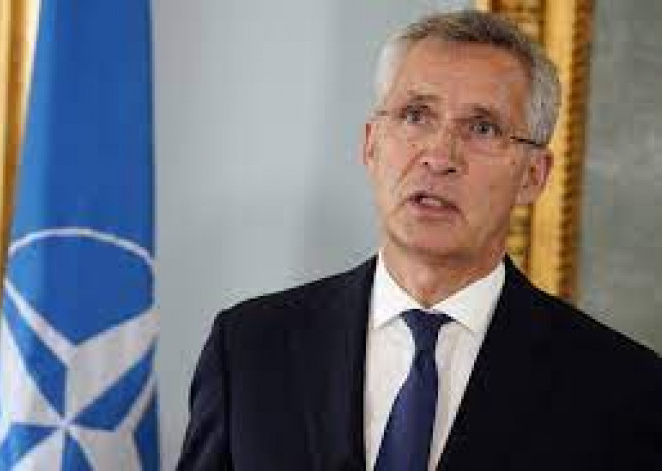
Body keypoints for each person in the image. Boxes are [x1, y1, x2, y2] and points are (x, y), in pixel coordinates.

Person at [176, 9, 662, 471]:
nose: (440, 156)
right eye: (415, 115)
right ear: (371, 144)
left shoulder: (622, 389)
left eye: (482, 128)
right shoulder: (249, 349)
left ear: (533, 175)